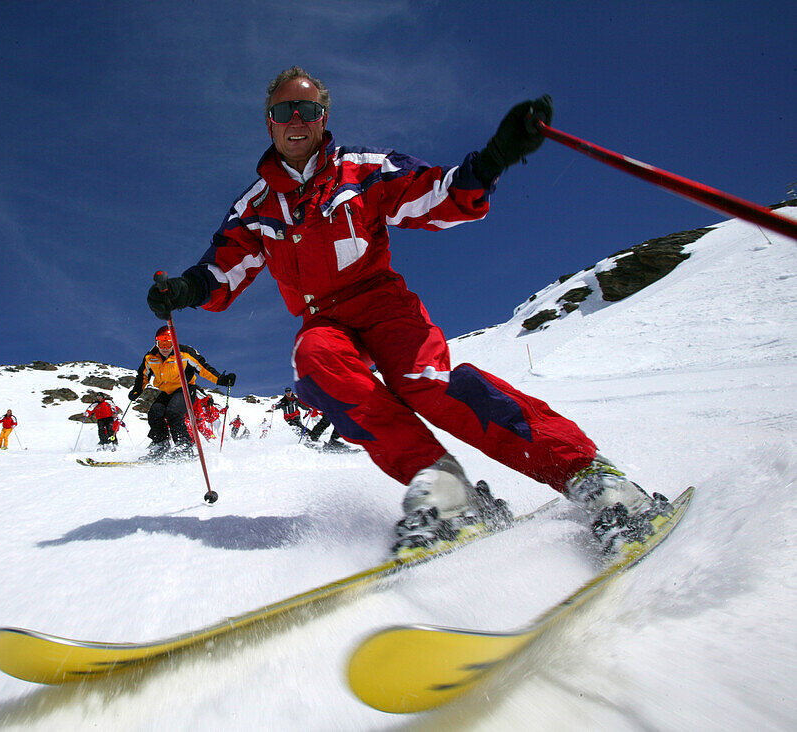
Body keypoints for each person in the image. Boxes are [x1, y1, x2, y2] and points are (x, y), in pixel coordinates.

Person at [146, 66, 668, 555]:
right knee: (317, 363)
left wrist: (489, 163)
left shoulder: (362, 171)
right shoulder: (257, 207)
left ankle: (591, 476)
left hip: (382, 304)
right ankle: (446, 491)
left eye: (307, 109)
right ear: (269, 123)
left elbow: (430, 195)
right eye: (284, 112)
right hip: (324, 320)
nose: (296, 121)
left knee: (428, 383)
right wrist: (185, 290)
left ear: (324, 117)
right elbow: (223, 267)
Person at [128, 325, 235, 461]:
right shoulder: (151, 357)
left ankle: (184, 446)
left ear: (174, 342)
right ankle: (161, 444)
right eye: (161, 343)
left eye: (168, 343)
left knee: (173, 412)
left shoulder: (184, 353)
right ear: (156, 343)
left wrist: (221, 379)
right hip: (167, 391)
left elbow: (203, 368)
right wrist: (138, 390)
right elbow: (143, 375)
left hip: (185, 388)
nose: (165, 348)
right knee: (155, 412)